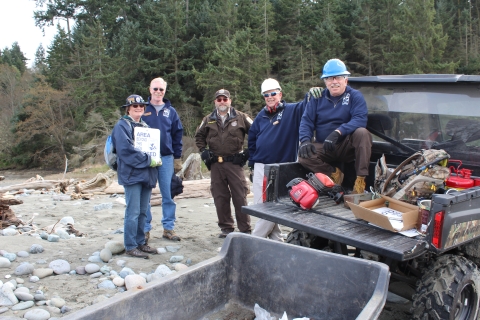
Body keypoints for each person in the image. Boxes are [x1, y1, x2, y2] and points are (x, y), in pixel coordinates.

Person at [248, 79, 322, 241]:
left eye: (273, 93)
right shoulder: (261, 116)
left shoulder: (292, 110)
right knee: (261, 206)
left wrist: (310, 94)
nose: (270, 97)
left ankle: (253, 240)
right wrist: (252, 165)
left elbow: (306, 105)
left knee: (271, 208)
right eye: (266, 94)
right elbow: (252, 140)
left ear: (280, 94)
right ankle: (278, 243)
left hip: (281, 168)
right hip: (261, 166)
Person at [298, 58, 372, 194]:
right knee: (303, 155)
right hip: (325, 145)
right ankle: (334, 174)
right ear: (325, 81)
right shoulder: (317, 98)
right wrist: (305, 141)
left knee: (362, 133)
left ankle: (360, 180)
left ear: (346, 79)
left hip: (346, 145)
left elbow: (360, 119)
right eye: (330, 78)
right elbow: (306, 121)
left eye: (338, 77)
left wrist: (338, 132)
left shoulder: (354, 96)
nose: (334, 82)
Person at [195, 89, 253, 238]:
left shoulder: (241, 117)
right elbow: (199, 136)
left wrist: (247, 152)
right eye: (219, 99)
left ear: (230, 101)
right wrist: (203, 151)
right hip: (216, 164)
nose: (222, 102)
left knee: (240, 195)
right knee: (220, 197)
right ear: (215, 101)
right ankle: (226, 228)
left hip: (235, 163)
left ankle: (245, 229)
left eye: (224, 99)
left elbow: (257, 133)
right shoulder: (208, 119)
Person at [112, 94, 160, 258]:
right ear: (128, 109)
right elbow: (125, 151)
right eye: (135, 107)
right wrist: (149, 159)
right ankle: (131, 245)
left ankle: (141, 242)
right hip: (132, 175)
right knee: (132, 212)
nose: (138, 108)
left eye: (141, 106)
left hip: (146, 175)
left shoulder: (145, 126)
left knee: (142, 211)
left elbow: (152, 148)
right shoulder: (121, 126)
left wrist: (155, 160)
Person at [141, 78, 184, 242]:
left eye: (161, 89)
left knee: (168, 195)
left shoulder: (171, 111)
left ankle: (168, 228)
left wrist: (177, 157)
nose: (158, 92)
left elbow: (177, 134)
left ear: (165, 91)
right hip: (146, 158)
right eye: (155, 89)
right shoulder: (142, 109)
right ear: (150, 89)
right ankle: (145, 229)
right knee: (146, 195)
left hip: (166, 157)